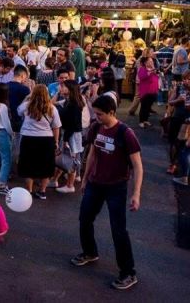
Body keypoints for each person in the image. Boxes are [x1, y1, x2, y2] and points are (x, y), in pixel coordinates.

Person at [72, 95, 143, 291]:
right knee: (84, 219)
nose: (97, 117)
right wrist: (85, 178)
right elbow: (93, 153)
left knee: (118, 230)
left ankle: (128, 273)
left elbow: (138, 166)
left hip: (116, 187)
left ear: (112, 112)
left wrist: (136, 194)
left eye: (100, 114)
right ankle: (89, 252)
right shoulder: (96, 127)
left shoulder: (125, 133)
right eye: (95, 113)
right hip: (95, 183)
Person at [17, 84, 61, 200]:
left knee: (28, 165)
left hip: (28, 138)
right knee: (45, 166)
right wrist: (56, 141)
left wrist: (28, 97)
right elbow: (56, 126)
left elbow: (18, 111)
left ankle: (29, 191)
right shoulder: (52, 108)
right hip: (46, 139)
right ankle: (42, 191)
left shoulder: (27, 106)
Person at [50, 80, 85, 193]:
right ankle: (54, 179)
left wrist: (65, 139)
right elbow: (52, 104)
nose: (61, 88)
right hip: (69, 133)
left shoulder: (73, 104)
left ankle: (70, 185)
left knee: (70, 159)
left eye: (63, 86)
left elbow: (73, 124)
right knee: (63, 157)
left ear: (70, 89)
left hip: (72, 135)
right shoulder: (68, 101)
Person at [137, 56, 158, 128]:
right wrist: (149, 72)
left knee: (148, 107)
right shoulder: (142, 69)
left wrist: (153, 70)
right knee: (144, 107)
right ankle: (141, 121)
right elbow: (141, 77)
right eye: (150, 61)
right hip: (145, 91)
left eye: (152, 61)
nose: (152, 62)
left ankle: (145, 120)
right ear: (145, 63)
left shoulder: (153, 69)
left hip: (153, 91)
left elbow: (157, 76)